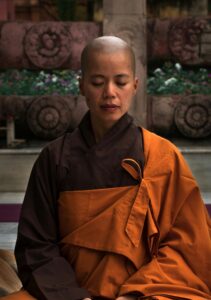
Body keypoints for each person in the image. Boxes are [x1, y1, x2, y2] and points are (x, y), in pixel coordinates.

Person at [2, 36, 211, 300]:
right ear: (82, 86)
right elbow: (36, 244)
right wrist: (75, 297)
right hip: (67, 292)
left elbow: (188, 244)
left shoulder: (161, 155)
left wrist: (134, 294)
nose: (109, 92)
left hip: (145, 291)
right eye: (98, 82)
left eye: (120, 82)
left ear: (135, 86)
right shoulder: (54, 157)